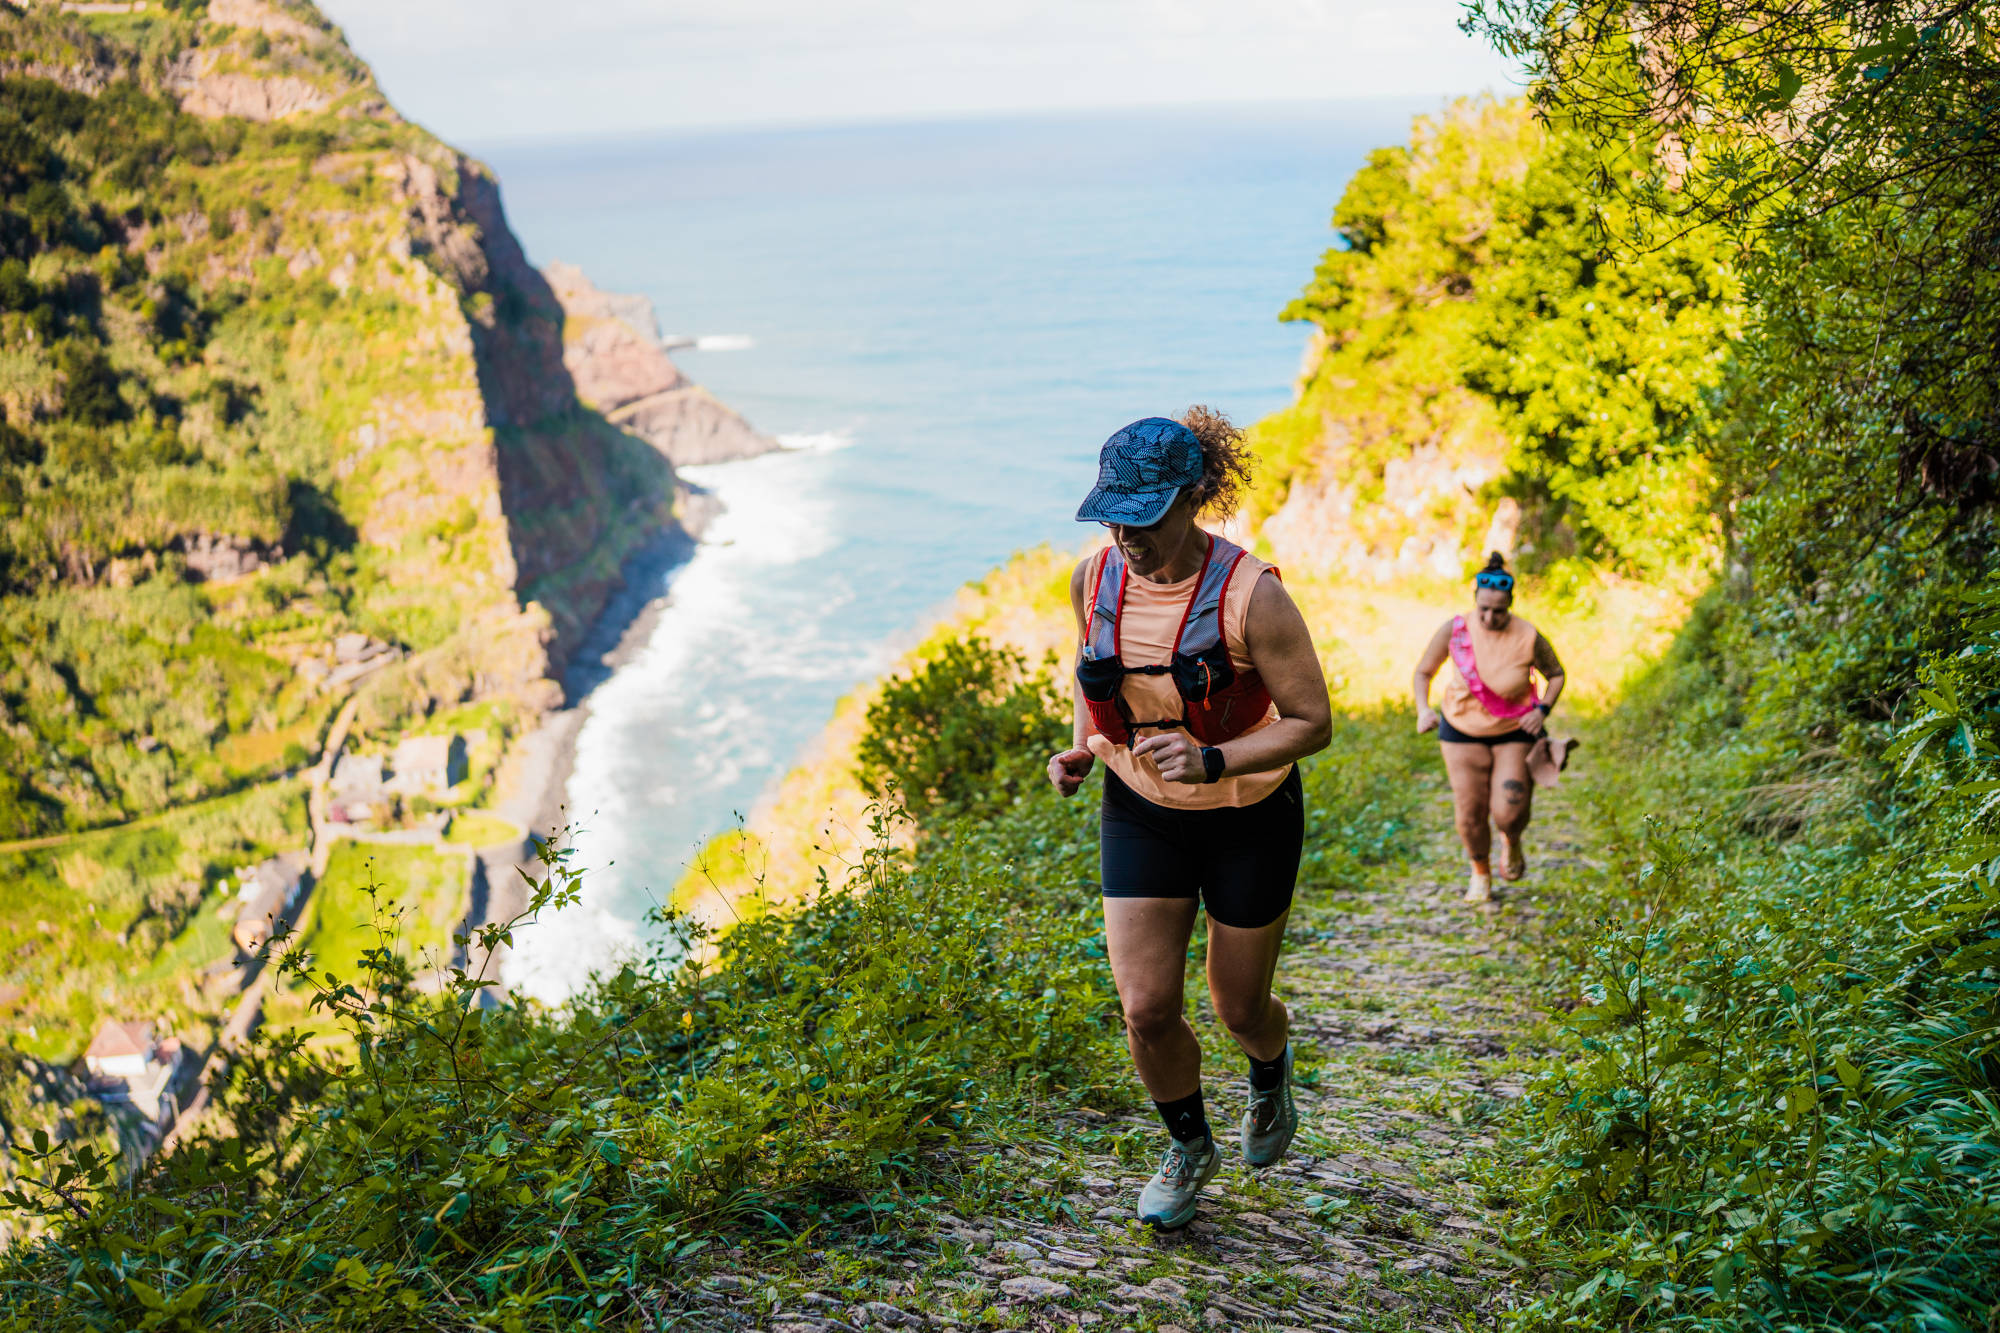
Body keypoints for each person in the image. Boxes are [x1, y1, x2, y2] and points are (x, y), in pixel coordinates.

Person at [1047, 410, 1332, 1229]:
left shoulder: (1255, 596)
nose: (1126, 535)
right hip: (1141, 806)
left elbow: (1312, 721)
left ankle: (1270, 1068)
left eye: (1144, 516)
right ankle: (1188, 1143)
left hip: (1249, 812)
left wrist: (1212, 759)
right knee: (1145, 1007)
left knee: (1239, 1004)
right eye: (1113, 514)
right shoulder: (1093, 580)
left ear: (1193, 498)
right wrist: (1083, 748)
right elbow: (1090, 673)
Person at [1411, 553, 1568, 904]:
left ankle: (1511, 840)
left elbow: (1556, 674)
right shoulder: (1456, 629)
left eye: (1498, 610)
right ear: (1475, 601)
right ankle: (1480, 872)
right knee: (1470, 812)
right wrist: (1424, 709)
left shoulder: (1528, 635)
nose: (1489, 617)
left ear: (1510, 604)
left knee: (1509, 810)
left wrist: (1542, 710)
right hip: (1460, 730)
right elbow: (1424, 672)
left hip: (1514, 731)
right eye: (1483, 608)